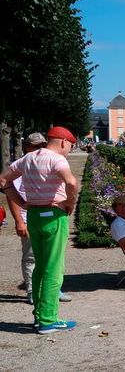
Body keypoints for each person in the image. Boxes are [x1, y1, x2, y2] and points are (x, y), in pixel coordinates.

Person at [0, 126, 78, 334]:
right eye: (70, 145)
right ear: (62, 141)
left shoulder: (28, 158)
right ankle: (48, 319)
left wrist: (23, 202)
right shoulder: (57, 159)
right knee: (54, 268)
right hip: (54, 215)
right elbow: (71, 182)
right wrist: (69, 203)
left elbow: (3, 180)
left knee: (40, 267)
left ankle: (39, 314)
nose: (69, 150)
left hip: (34, 215)